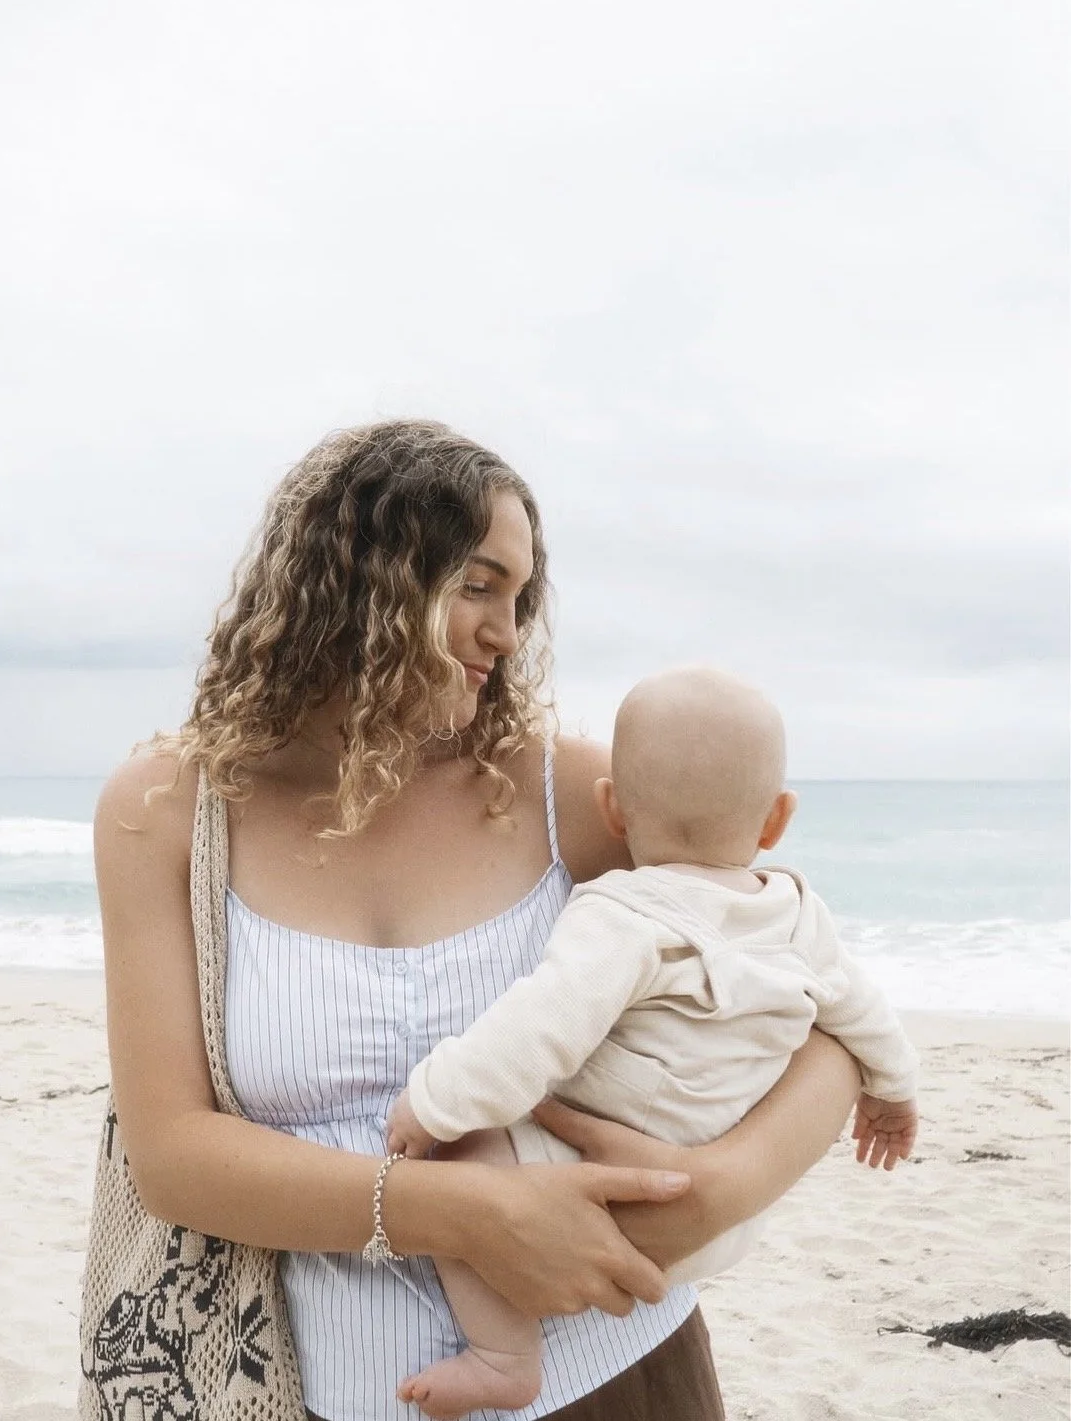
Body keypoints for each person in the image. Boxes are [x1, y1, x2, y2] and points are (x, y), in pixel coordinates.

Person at [79, 419, 862, 1421]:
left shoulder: (569, 790)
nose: (508, 629)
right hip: (331, 1396)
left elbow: (823, 1000)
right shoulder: (167, 811)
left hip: (616, 1374)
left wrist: (724, 1184)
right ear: (356, 574)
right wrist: (466, 1211)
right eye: (478, 584)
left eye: (521, 597)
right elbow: (173, 1155)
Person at [386, 665, 919, 1418]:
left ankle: (502, 1356)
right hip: (720, 1219)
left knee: (463, 1165)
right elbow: (864, 1014)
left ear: (611, 808)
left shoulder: (623, 914)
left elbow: (537, 1030)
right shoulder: (799, 915)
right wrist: (892, 1091)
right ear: (776, 820)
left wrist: (434, 1102)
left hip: (609, 1201)